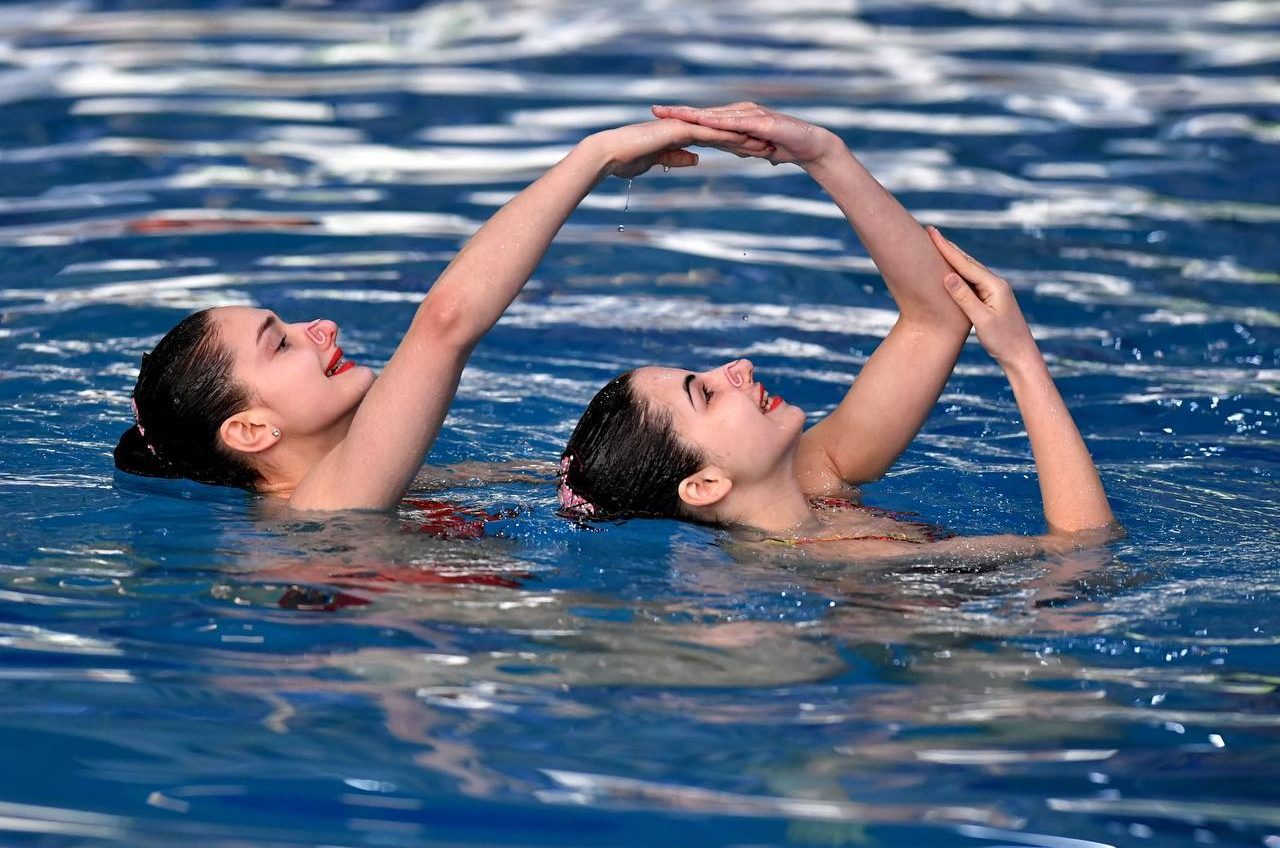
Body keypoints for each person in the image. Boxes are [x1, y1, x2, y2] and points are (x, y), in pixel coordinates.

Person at [114, 116, 767, 511]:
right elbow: (446, 324)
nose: (321, 329)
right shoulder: (326, 503)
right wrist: (592, 157)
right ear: (252, 432)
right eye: (281, 344)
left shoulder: (391, 481)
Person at [559, 104, 1118, 558]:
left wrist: (822, 154)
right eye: (704, 393)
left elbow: (939, 313)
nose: (736, 367)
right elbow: (1083, 556)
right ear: (705, 487)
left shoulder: (816, 481)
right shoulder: (842, 556)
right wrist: (1022, 360)